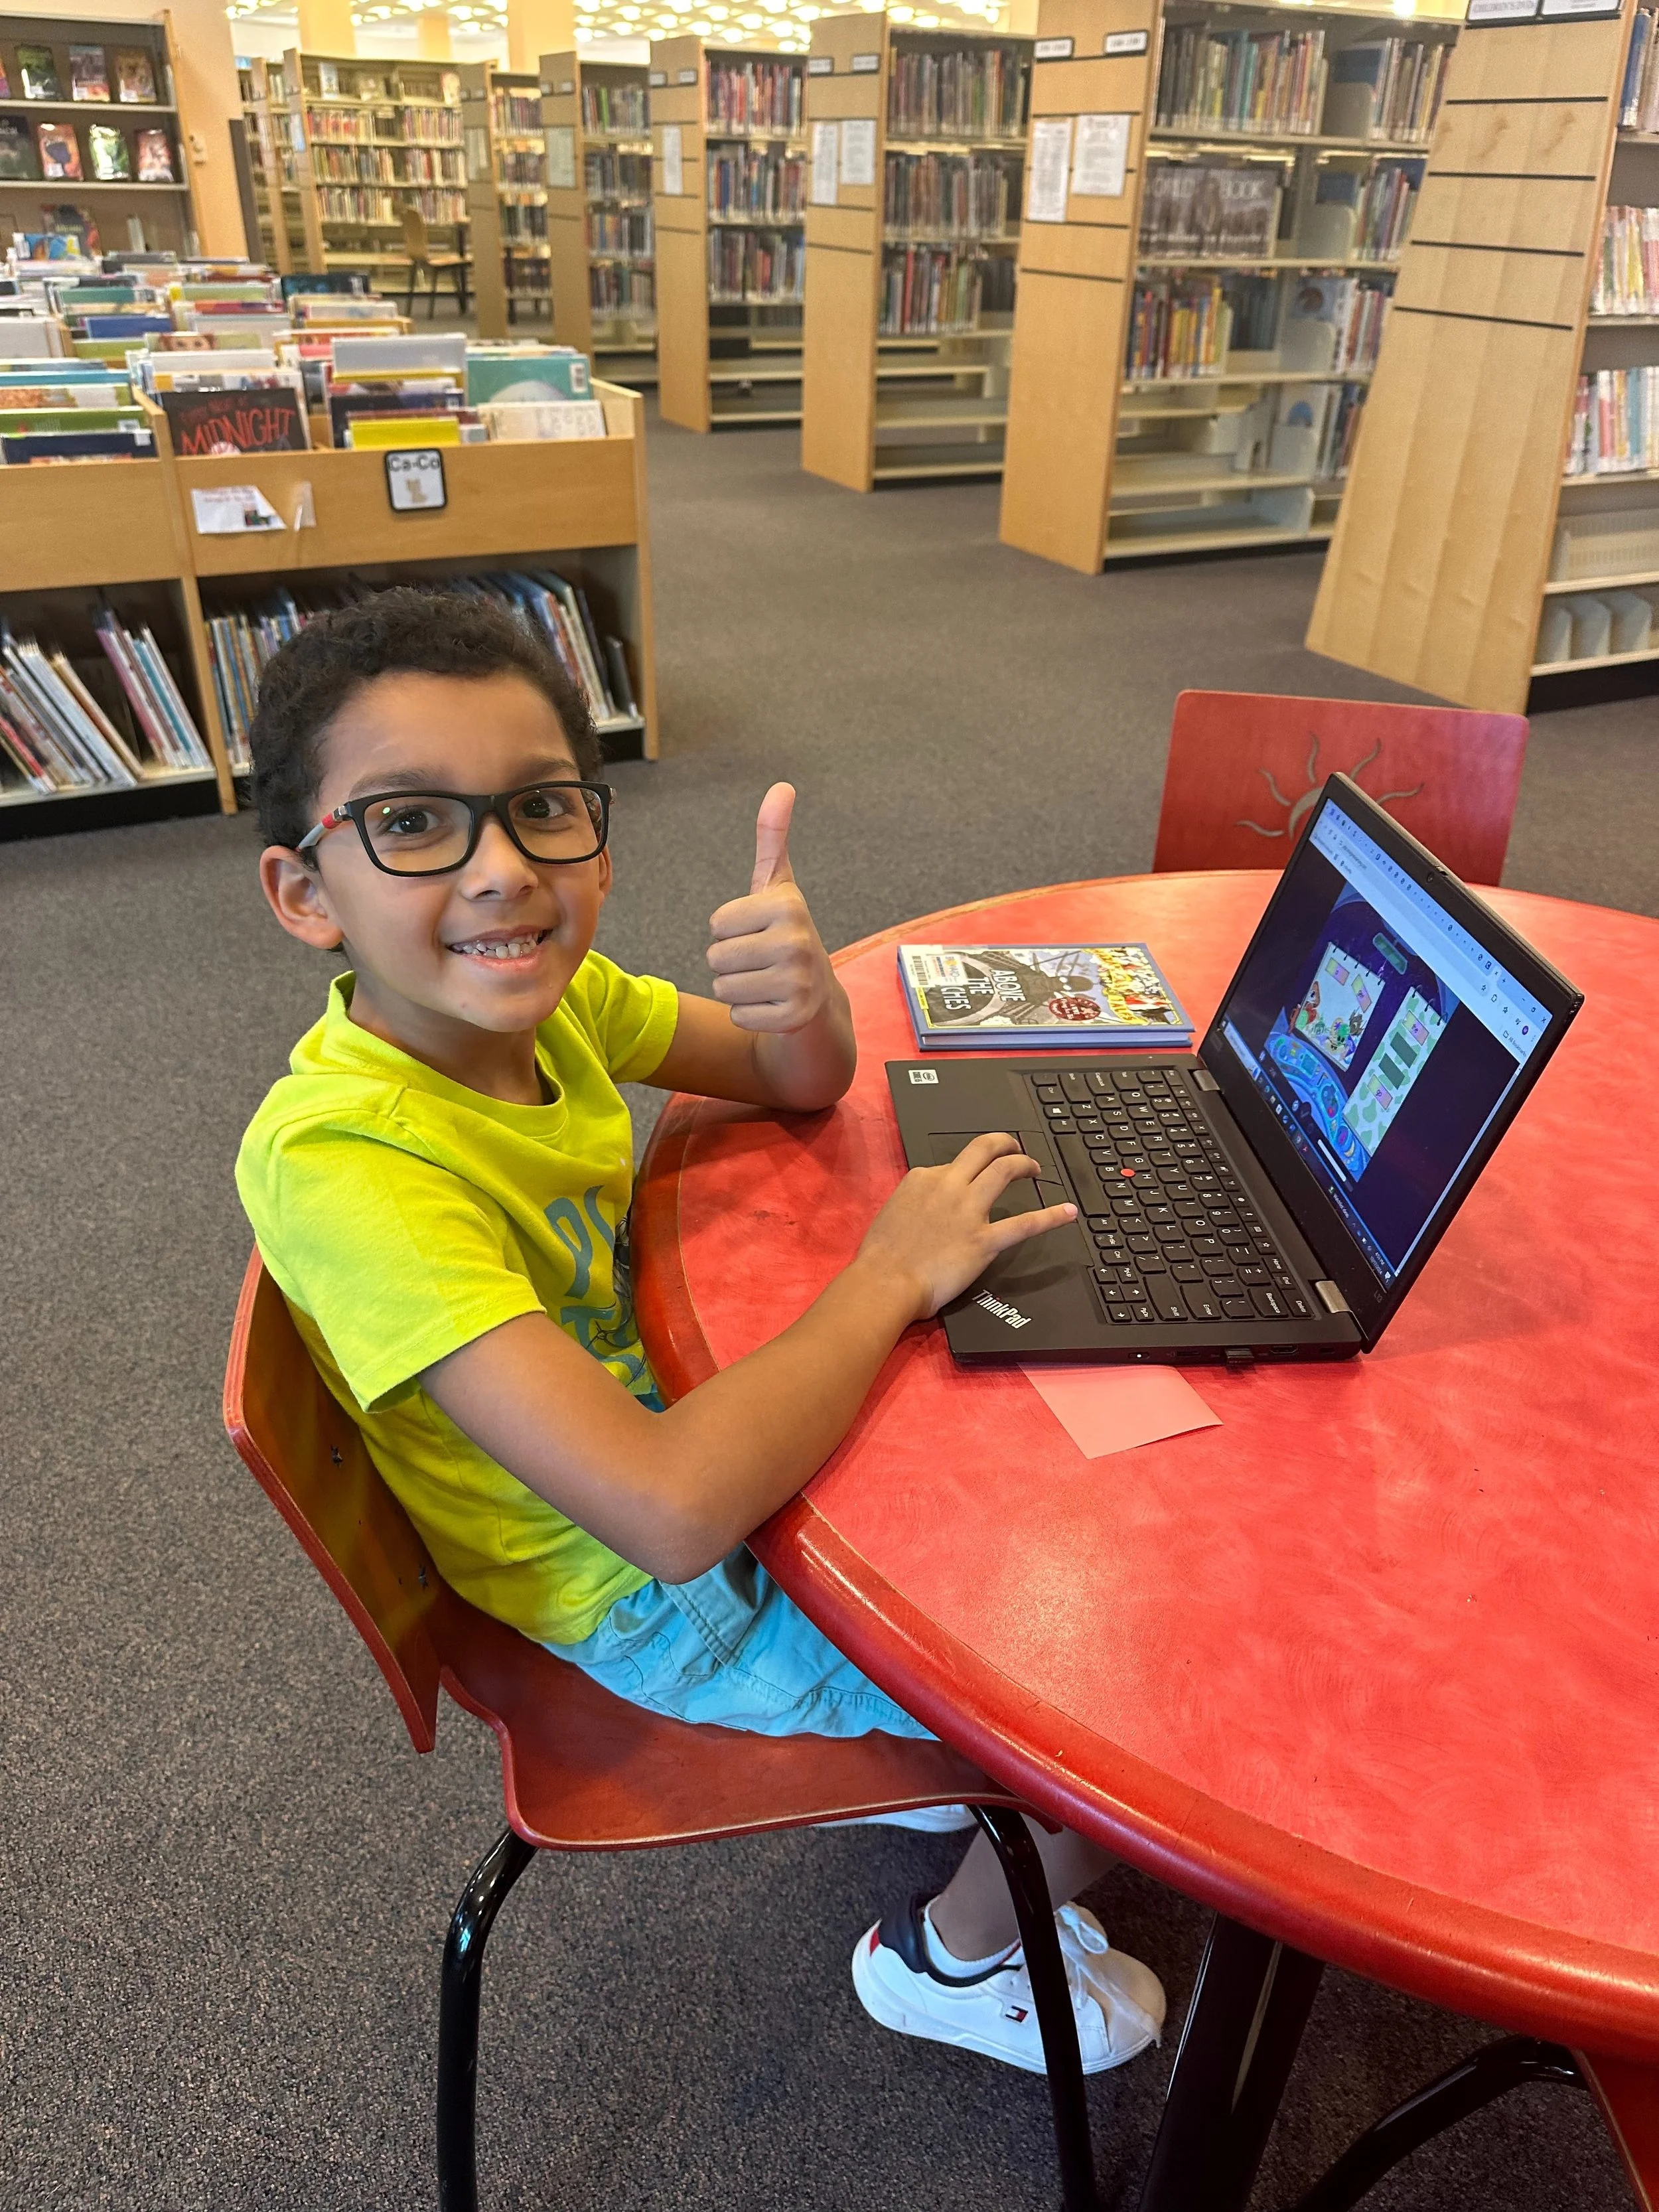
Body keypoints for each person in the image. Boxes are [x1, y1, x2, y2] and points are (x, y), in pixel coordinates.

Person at [236, 589, 1165, 2077]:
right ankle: (946, 1954)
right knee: (1124, 1722)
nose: (502, 873)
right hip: (637, 1581)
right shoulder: (352, 1167)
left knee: (1070, 1446)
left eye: (542, 808)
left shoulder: (545, 1009)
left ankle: (934, 1764)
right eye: (414, 823)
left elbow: (795, 1080)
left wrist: (799, 1001)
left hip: (691, 1425)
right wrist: (880, 1279)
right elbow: (666, 1516)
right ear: (304, 891)